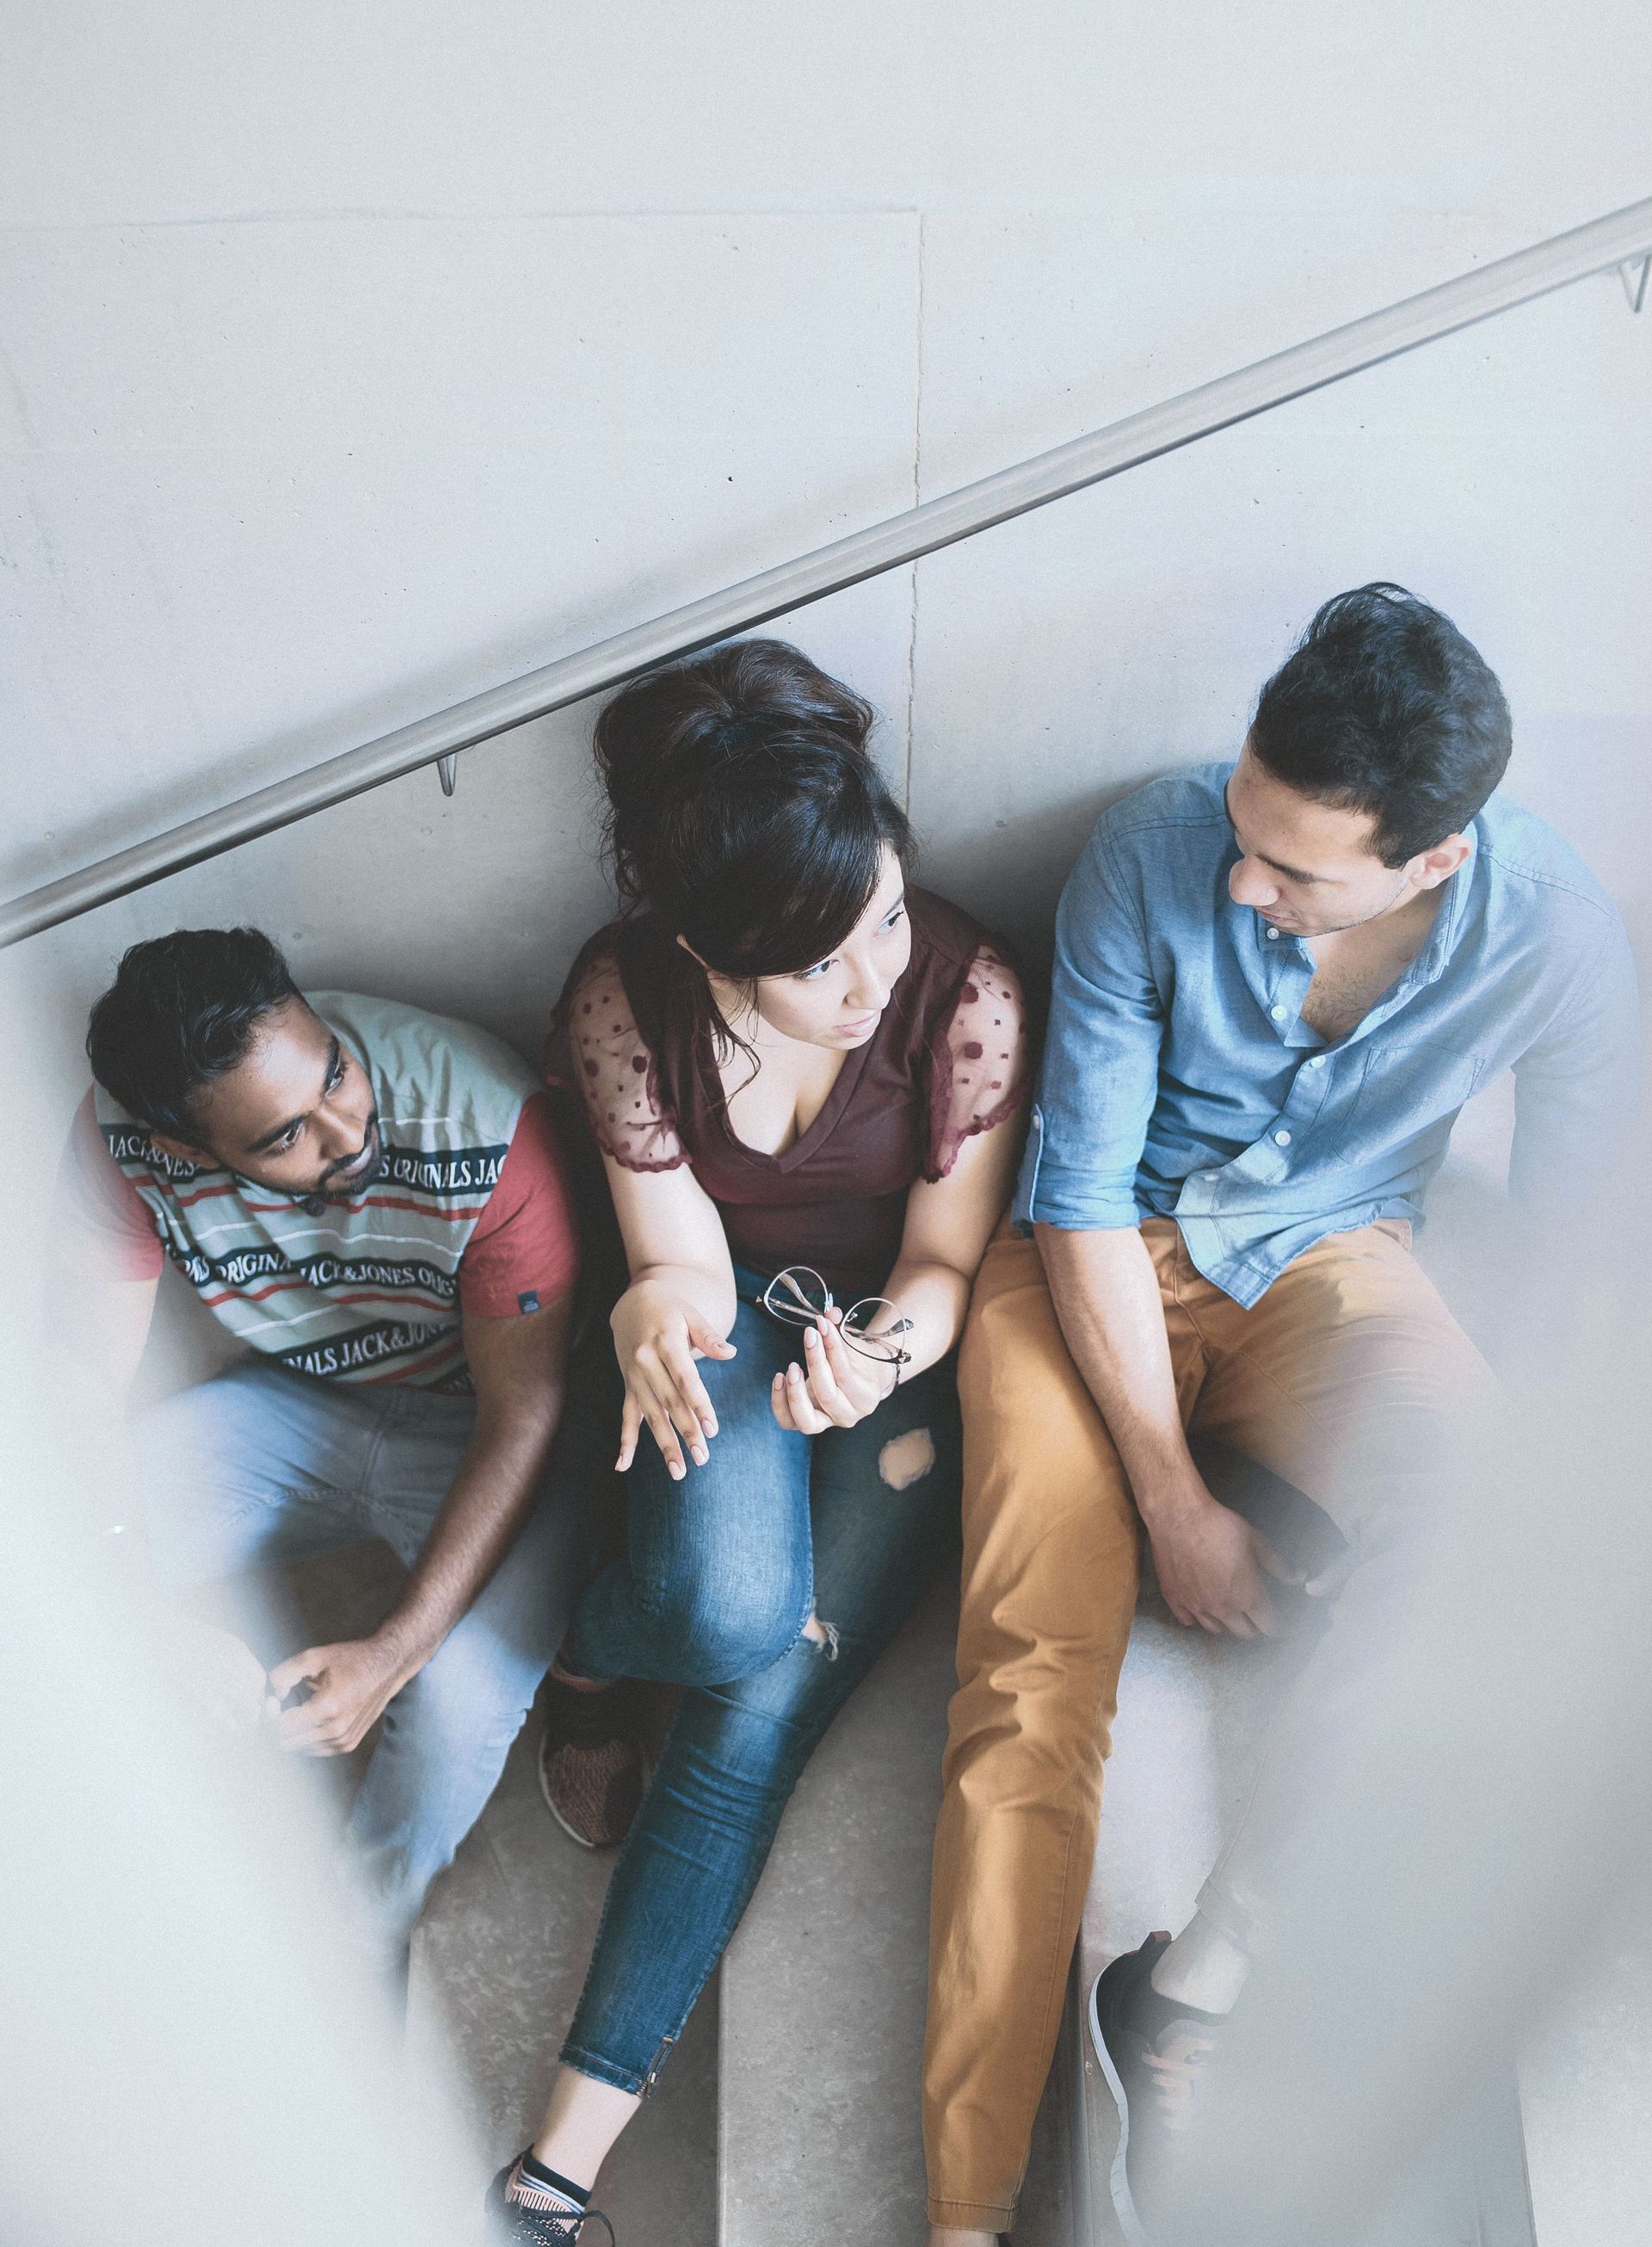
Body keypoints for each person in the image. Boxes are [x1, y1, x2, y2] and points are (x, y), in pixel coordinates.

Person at [919, 584, 1643, 2245]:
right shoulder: (1148, 847)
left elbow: (1583, 1261)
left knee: (1489, 1551)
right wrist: (1174, 1500)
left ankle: (1197, 1989)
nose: (1242, 877)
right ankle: (964, 2210)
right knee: (1033, 1677)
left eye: (1295, 868)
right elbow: (1083, 1193)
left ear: (1434, 859)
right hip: (1085, 1267)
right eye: (1244, 828)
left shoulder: (1556, 932)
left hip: (1332, 1261)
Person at [487, 639, 1028, 2244]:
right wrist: (654, 1307)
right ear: (704, 949)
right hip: (723, 1317)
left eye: (882, 921)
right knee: (718, 1608)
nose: (869, 988)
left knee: (755, 1699)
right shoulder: (623, 992)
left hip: (891, 1351)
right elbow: (685, 1255)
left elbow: (944, 1269)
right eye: (820, 969)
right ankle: (592, 1651)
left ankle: (558, 2155)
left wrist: (886, 1352)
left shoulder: (966, 990)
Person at [50, 928, 583, 1968]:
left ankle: (354, 1937)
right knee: (59, 1557)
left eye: (334, 1067)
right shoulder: (123, 1133)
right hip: (302, 1406)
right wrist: (141, 1607)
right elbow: (76, 1379)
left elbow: (524, 1411)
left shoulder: (482, 1118)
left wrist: (392, 1653)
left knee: (454, 1699)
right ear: (192, 1148)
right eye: (288, 1134)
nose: (350, 1126)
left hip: (486, 1428)